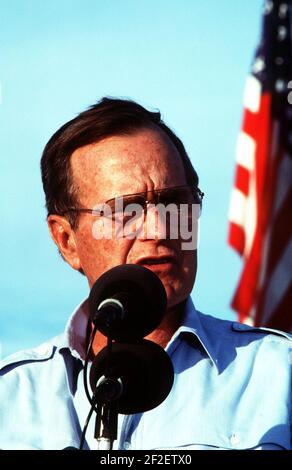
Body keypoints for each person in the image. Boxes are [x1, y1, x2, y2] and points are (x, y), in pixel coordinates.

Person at [0, 97, 291, 450]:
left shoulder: (279, 374)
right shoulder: (11, 396)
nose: (159, 228)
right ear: (67, 240)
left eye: (176, 202)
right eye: (126, 211)